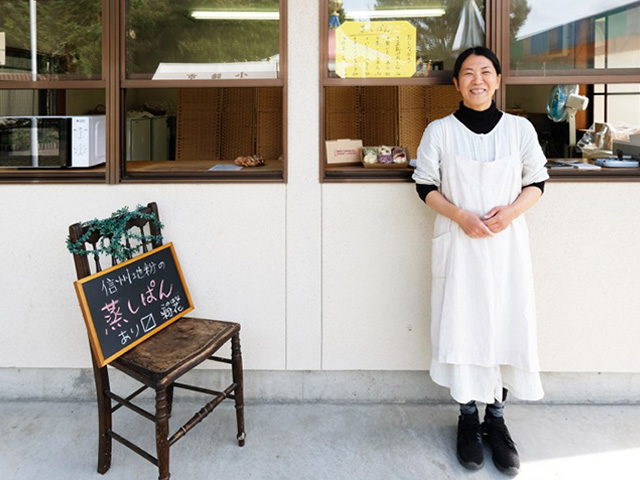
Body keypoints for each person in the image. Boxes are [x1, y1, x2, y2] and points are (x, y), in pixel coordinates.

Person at [412, 46, 549, 475]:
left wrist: (509, 213)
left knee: (506, 324)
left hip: (506, 248)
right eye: (468, 73)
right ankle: (468, 419)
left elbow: (537, 181)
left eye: (485, 72)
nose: (477, 80)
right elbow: (424, 185)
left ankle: (498, 420)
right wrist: (460, 215)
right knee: (463, 326)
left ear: (497, 80)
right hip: (459, 243)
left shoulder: (519, 129)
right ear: (456, 84)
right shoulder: (439, 131)